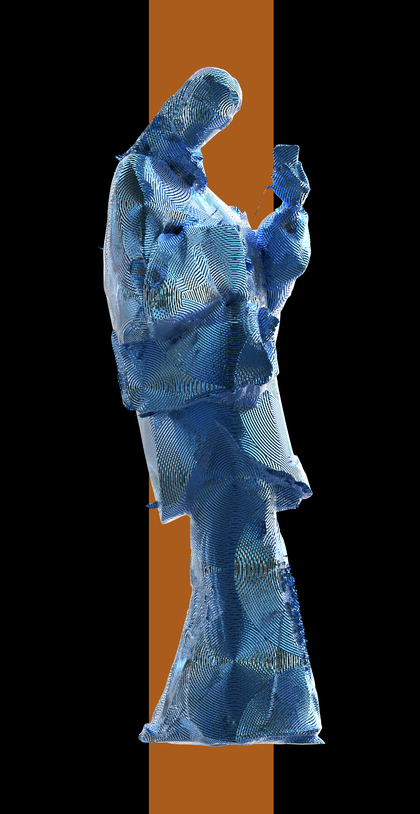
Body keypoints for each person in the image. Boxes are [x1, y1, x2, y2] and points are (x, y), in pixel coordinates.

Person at [104, 67, 323, 744]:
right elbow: (138, 288)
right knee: (237, 545)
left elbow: (259, 277)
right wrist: (231, 258)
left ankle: (234, 707)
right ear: (180, 104)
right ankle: (230, 709)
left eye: (224, 118)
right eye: (207, 108)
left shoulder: (204, 196)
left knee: (245, 544)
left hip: (237, 391)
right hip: (194, 390)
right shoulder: (138, 178)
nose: (211, 125)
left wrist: (288, 217)